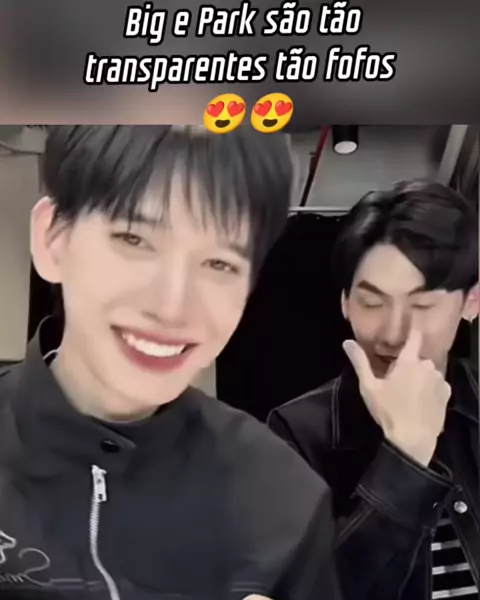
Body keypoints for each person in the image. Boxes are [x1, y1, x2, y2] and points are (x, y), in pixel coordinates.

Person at [0, 126, 341, 600]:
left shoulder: (282, 497)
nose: (172, 307)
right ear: (52, 239)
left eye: (219, 264)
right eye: (134, 239)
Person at [268, 180, 479, 600]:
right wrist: (406, 457)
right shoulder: (295, 433)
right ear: (345, 303)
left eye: (422, 305)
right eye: (372, 302)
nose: (394, 334)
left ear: (471, 303)